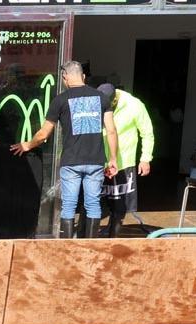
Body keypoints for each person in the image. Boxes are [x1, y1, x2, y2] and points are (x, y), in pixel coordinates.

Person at [11, 61, 118, 239]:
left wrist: (27, 145)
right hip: (95, 160)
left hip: (71, 162)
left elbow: (44, 133)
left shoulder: (60, 100)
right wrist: (113, 158)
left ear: (65, 78)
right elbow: (112, 130)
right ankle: (90, 246)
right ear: (83, 77)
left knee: (69, 205)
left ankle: (66, 248)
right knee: (93, 204)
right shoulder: (102, 98)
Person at [97, 83, 154, 237]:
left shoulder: (134, 105)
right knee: (98, 202)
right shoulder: (97, 102)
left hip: (123, 163)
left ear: (114, 100)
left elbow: (147, 133)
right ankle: (97, 234)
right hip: (100, 162)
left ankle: (113, 237)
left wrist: (145, 159)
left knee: (120, 204)